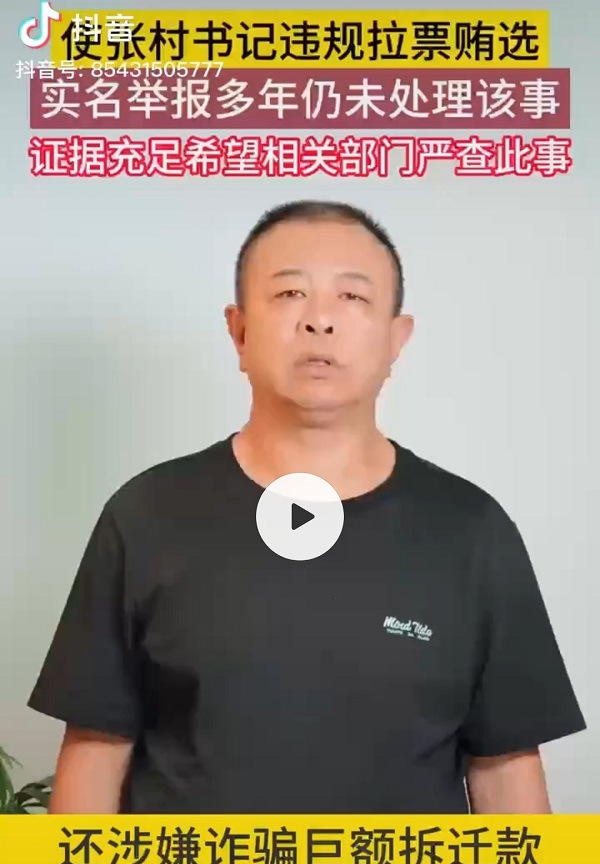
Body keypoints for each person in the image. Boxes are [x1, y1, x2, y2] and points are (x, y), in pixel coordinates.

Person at [27, 199, 586, 815]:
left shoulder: (473, 532)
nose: (320, 320)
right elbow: (96, 752)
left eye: (353, 297)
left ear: (396, 339)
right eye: (290, 293)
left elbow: (505, 768)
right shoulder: (145, 517)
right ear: (239, 332)